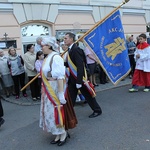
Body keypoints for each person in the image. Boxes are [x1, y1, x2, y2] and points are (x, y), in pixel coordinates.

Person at [40, 37, 77, 146]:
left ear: (49, 46)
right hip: (48, 88)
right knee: (50, 113)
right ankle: (57, 133)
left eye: (43, 46)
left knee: (57, 111)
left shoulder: (56, 57)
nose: (42, 48)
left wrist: (61, 94)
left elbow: (60, 77)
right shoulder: (48, 57)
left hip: (55, 88)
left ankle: (63, 133)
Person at [64, 32, 102, 118]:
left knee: (88, 95)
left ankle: (97, 110)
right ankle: (68, 114)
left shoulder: (76, 49)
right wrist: (61, 64)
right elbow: (71, 64)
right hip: (73, 78)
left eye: (66, 38)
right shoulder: (70, 49)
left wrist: (79, 81)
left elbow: (80, 66)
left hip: (78, 78)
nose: (64, 40)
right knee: (71, 97)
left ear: (71, 39)